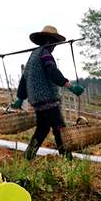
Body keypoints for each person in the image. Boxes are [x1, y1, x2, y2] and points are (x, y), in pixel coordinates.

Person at [11, 25, 84, 160]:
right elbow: (52, 71)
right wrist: (70, 86)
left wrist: (20, 98)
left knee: (42, 129)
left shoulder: (33, 56)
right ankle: (67, 160)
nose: (54, 47)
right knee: (60, 129)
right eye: (54, 43)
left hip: (37, 101)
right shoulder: (45, 53)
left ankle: (28, 156)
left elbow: (24, 78)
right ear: (50, 41)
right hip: (48, 98)